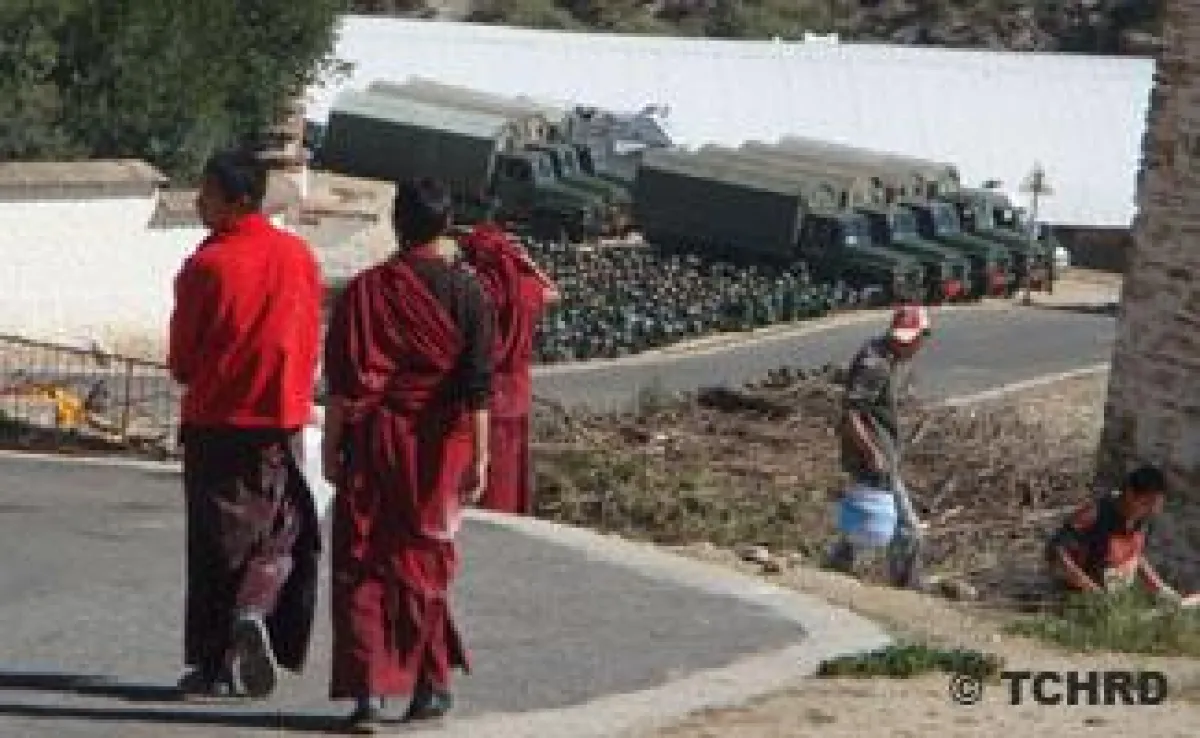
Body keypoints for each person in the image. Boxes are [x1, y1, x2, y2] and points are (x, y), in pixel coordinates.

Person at [322, 178, 494, 733]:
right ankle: (430, 685)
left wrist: (330, 446)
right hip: (438, 449)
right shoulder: (470, 295)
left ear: (397, 224)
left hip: (373, 442)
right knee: (422, 564)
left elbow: (346, 385)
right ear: (445, 228)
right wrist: (482, 457)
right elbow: (477, 387)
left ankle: (368, 693)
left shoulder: (365, 292)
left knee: (364, 561)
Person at [167, 148, 323, 699]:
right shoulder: (298, 257)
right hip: (279, 419)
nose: (197, 202)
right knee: (279, 527)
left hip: (216, 419)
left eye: (206, 193)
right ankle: (254, 608)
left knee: (214, 543)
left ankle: (213, 663)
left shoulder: (207, 266)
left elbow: (183, 358)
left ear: (238, 202)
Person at [826, 303, 931, 588]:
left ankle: (835, 569)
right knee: (907, 529)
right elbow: (851, 413)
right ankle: (907, 590)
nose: (907, 345)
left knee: (864, 521)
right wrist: (872, 452)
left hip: (874, 454)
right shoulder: (876, 363)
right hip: (872, 457)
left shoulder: (886, 356)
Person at [459, 221, 560, 514]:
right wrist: (528, 263)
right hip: (516, 389)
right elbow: (555, 291)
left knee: (478, 456)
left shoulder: (479, 291)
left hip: (481, 391)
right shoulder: (528, 290)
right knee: (510, 464)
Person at [1045, 465, 1200, 607]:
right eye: (1147, 504)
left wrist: (1163, 590)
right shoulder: (1094, 515)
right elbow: (1057, 554)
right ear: (1130, 494)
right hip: (1079, 601)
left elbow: (1134, 556)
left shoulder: (1141, 520)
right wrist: (1094, 594)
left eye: (1155, 506)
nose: (1152, 511)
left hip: (1115, 602)